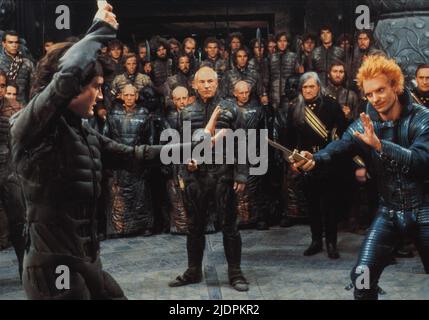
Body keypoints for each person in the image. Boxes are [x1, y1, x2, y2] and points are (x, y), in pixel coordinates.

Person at [10, 4, 221, 300]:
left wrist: (197, 146)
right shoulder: (29, 128)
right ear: (70, 89)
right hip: (54, 270)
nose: (99, 95)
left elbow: (136, 155)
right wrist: (99, 30)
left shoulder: (80, 132)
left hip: (87, 260)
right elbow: (66, 76)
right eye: (94, 87)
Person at [291, 55, 429, 299]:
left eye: (381, 90)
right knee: (362, 280)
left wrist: (380, 146)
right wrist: (314, 159)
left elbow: (420, 162)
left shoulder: (422, 118)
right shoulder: (365, 123)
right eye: (369, 94)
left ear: (395, 86)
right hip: (389, 212)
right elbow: (340, 146)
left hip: (425, 209)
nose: (375, 99)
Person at [169, 66, 249, 292]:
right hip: (196, 178)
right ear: (194, 84)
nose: (206, 85)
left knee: (230, 226)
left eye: (210, 81)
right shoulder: (185, 112)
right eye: (201, 82)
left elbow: (243, 143)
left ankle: (235, 272)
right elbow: (180, 148)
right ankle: (193, 270)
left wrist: (241, 173)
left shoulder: (231, 109)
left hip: (224, 176)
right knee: (194, 227)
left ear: (217, 83)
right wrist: (185, 171)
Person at [277, 72, 348, 258]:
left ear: (318, 87)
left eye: (312, 86)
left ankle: (331, 242)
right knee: (313, 205)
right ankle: (316, 240)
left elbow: (343, 131)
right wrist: (292, 159)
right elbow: (289, 138)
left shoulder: (331, 105)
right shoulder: (295, 108)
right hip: (306, 162)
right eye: (305, 87)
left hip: (328, 161)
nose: (308, 90)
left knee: (330, 205)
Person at [104, 84, 154, 237]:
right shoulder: (113, 114)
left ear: (136, 96)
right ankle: (118, 228)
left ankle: (144, 227)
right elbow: (106, 137)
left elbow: (150, 139)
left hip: (137, 158)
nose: (129, 98)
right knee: (118, 195)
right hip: (119, 160)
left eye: (132, 95)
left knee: (141, 195)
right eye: (126, 95)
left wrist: (147, 159)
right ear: (121, 96)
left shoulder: (144, 114)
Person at [232, 81, 269, 230]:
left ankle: (259, 217)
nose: (244, 95)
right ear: (235, 93)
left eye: (246, 92)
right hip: (236, 151)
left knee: (258, 187)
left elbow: (264, 131)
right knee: (238, 186)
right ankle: (240, 218)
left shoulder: (258, 109)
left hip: (255, 150)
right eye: (241, 93)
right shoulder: (231, 109)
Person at [0, 70, 25, 279]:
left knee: (19, 220)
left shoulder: (15, 108)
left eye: (1, 85)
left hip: (9, 170)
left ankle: (24, 266)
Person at [0, 30, 35, 104]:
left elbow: (34, 88)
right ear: (3, 44)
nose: (14, 45)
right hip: (2, 107)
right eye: (10, 42)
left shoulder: (27, 63)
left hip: (21, 106)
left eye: (16, 42)